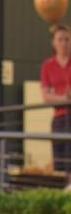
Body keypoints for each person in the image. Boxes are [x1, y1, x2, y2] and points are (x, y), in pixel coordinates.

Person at [40, 23, 71, 188]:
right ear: (54, 43)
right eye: (60, 39)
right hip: (59, 116)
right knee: (60, 162)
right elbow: (45, 95)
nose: (64, 43)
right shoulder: (48, 65)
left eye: (67, 39)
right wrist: (64, 98)